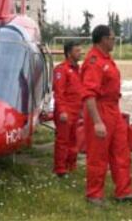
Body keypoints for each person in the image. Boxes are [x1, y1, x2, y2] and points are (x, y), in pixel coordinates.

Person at [81, 25, 132, 206]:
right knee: (98, 154)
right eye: (113, 38)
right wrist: (97, 122)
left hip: (113, 110)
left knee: (121, 151)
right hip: (100, 110)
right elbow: (89, 95)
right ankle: (94, 195)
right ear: (104, 39)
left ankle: (124, 191)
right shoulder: (94, 62)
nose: (114, 41)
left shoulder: (106, 59)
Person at [52, 41, 83, 178]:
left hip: (76, 110)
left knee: (74, 140)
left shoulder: (78, 69)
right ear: (69, 53)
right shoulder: (61, 70)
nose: (80, 53)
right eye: (77, 51)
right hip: (65, 111)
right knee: (63, 141)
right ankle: (60, 169)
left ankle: (71, 164)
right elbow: (59, 93)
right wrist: (62, 111)